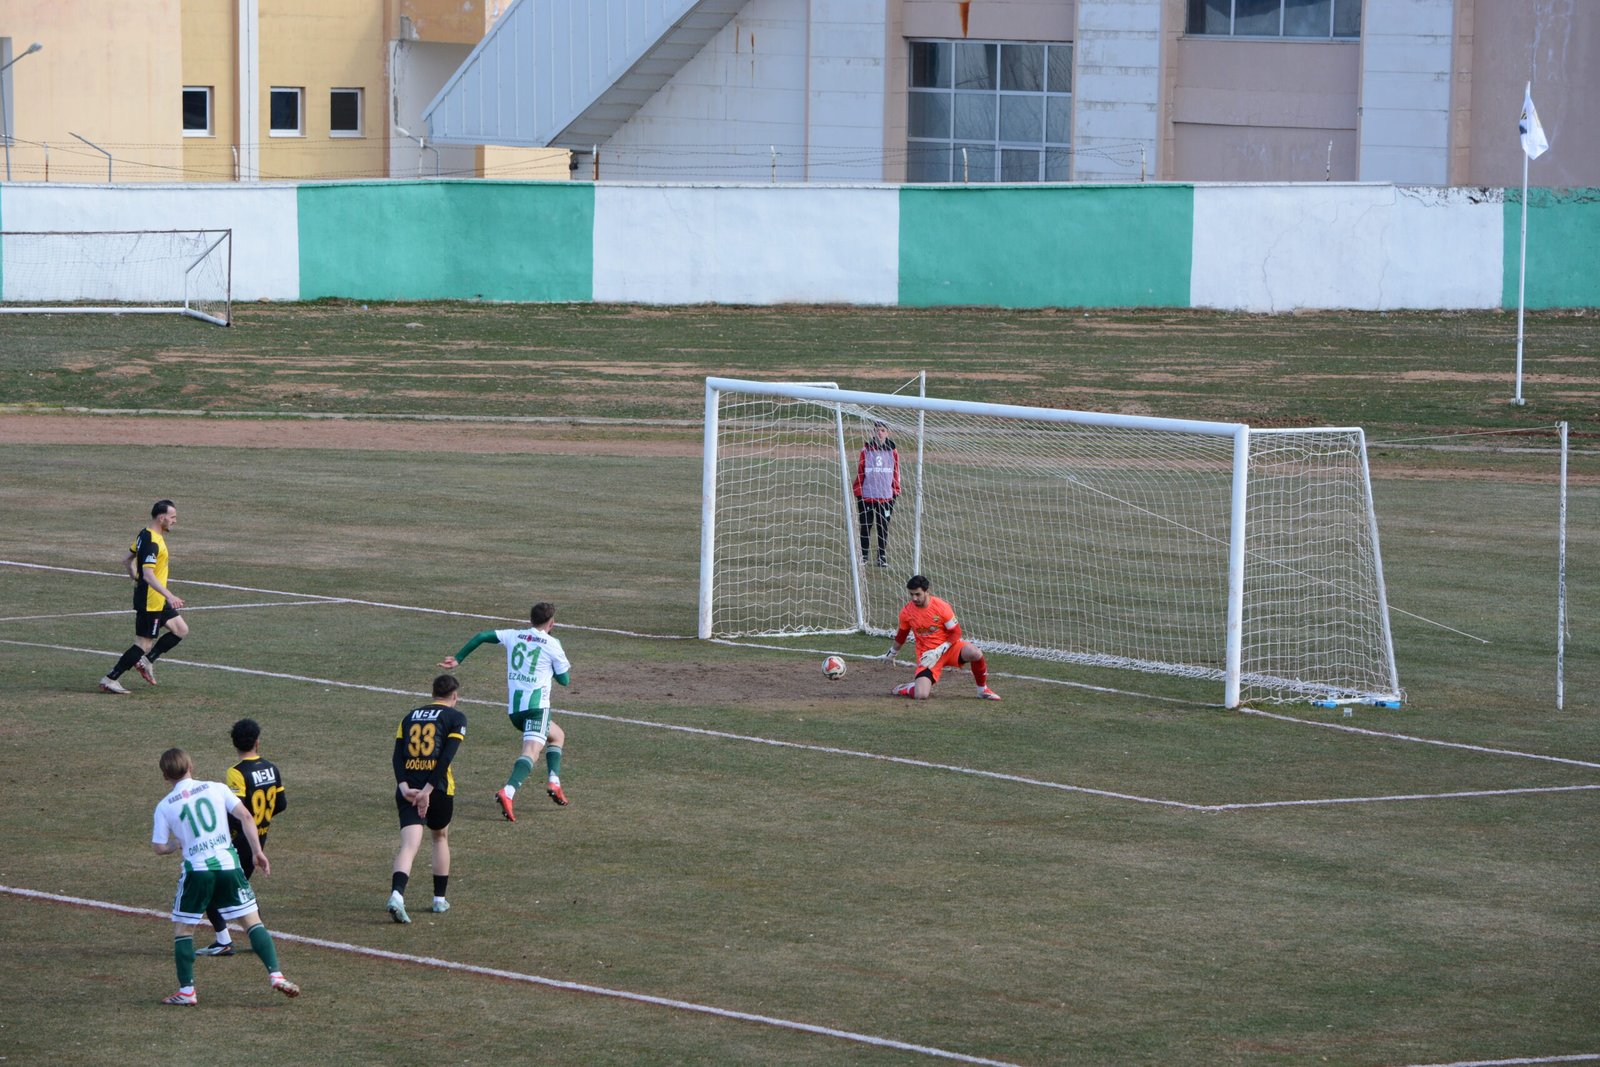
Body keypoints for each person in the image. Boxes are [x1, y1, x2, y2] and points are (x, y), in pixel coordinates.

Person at [150, 747, 299, 1005]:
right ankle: (276, 975)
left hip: (197, 871)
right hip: (229, 866)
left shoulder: (164, 806)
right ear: (191, 767)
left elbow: (159, 847)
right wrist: (257, 852)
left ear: (165, 776)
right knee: (252, 922)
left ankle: (187, 991)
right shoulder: (217, 788)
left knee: (184, 930)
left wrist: (176, 844)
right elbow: (245, 816)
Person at [439, 602, 571, 822]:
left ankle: (554, 782)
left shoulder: (513, 635)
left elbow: (482, 636)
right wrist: (551, 669)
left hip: (515, 711)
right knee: (531, 752)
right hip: (537, 709)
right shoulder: (552, 644)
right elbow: (565, 680)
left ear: (531, 619)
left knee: (557, 735)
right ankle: (508, 791)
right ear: (552, 623)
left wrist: (458, 658)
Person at [198, 718, 286, 956]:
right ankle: (257, 938)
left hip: (240, 841)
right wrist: (261, 819)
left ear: (234, 743)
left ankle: (225, 941)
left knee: (209, 886)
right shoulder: (272, 768)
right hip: (259, 837)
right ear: (257, 741)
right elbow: (281, 804)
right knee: (238, 888)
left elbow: (238, 812)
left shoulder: (236, 773)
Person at [388, 673, 468, 924]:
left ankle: (397, 895)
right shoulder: (456, 717)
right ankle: (438, 900)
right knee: (440, 837)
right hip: (438, 789)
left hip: (408, 790)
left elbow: (397, 756)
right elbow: (446, 758)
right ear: (454, 696)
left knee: (409, 845)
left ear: (433, 693)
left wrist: (404, 787)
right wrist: (428, 791)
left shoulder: (409, 717)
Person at [100, 499, 189, 694]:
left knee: (180, 630)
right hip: (151, 600)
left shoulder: (145, 534)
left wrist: (134, 574)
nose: (175, 521)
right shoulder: (152, 542)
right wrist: (170, 595)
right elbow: (148, 575)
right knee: (143, 644)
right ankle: (110, 679)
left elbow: (127, 559)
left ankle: (146, 662)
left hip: (157, 598)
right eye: (172, 517)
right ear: (161, 518)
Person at [883, 574, 1001, 701]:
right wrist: (892, 653)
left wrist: (941, 649)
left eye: (917, 594)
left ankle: (982, 690)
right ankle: (907, 688)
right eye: (911, 594)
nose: (914, 598)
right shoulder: (906, 612)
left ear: (927, 591)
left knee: (975, 653)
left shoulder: (941, 607)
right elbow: (902, 635)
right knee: (921, 695)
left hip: (949, 648)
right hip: (928, 655)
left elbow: (956, 632)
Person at [853, 420, 901, 567]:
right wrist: (858, 491)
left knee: (883, 527)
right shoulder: (866, 450)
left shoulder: (893, 452)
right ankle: (864, 556)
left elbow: (896, 472)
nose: (880, 433)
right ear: (873, 432)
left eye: (883, 430)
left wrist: (895, 490)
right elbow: (861, 471)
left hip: (885, 496)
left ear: (887, 433)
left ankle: (881, 557)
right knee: (866, 526)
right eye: (877, 430)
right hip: (867, 495)